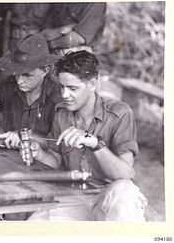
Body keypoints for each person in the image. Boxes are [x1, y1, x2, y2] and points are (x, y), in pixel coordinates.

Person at [25, 50, 147, 221]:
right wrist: (39, 153)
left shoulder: (119, 113)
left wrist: (95, 144)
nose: (65, 95)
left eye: (72, 88)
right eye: (62, 87)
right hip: (74, 198)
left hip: (109, 196)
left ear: (92, 84)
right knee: (34, 226)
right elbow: (56, 160)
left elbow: (124, 173)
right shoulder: (62, 113)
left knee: (124, 195)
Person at [0, 33, 62, 148]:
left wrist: (24, 136)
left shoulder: (57, 97)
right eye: (17, 73)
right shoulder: (7, 85)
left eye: (27, 75)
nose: (20, 81)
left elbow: (58, 142)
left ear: (45, 70)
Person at [40, 3, 106, 55]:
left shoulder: (95, 3)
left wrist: (52, 44)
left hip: (78, 55)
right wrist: (63, 29)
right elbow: (44, 33)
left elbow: (78, 39)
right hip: (52, 50)